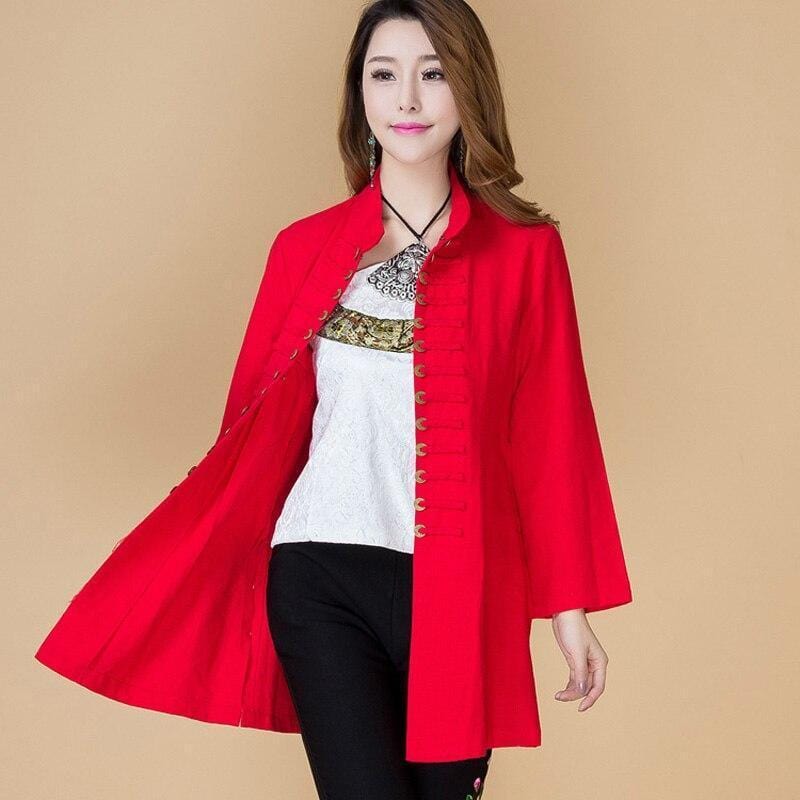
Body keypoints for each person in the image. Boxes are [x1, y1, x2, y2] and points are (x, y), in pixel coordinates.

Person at [34, 2, 633, 799]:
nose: (407, 99)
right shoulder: (303, 249)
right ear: (359, 95)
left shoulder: (525, 254)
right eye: (384, 75)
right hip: (319, 570)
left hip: (460, 584)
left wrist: (568, 607)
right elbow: (251, 433)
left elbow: (553, 435)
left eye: (433, 74)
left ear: (470, 90)